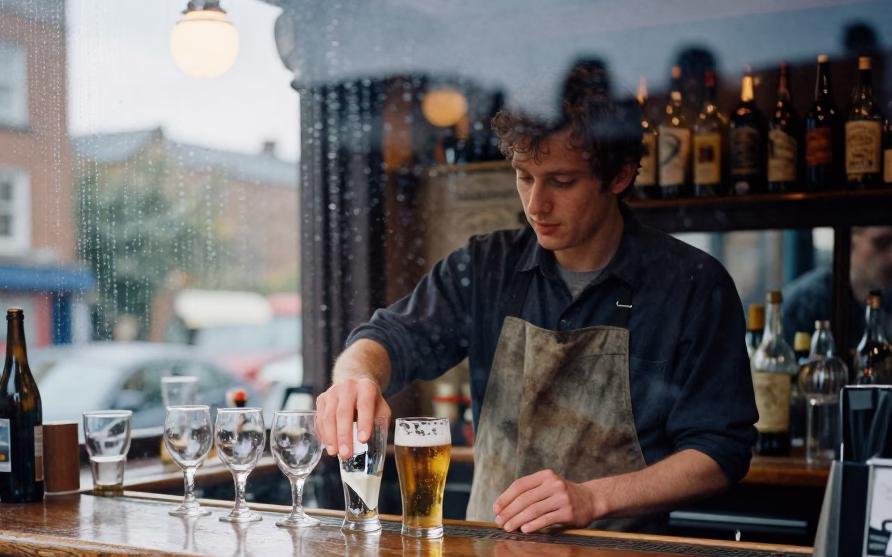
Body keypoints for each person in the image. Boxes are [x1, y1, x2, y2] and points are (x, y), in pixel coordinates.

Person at [315, 65, 758, 533]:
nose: (536, 204)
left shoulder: (691, 285)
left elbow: (720, 452)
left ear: (620, 176)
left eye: (561, 182)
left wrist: (594, 497)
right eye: (524, 176)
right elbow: (387, 337)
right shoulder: (486, 265)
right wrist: (355, 380)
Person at [782, 227, 892, 346]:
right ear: (850, 243)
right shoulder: (805, 303)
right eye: (881, 243)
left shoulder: (887, 298)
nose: (891, 257)